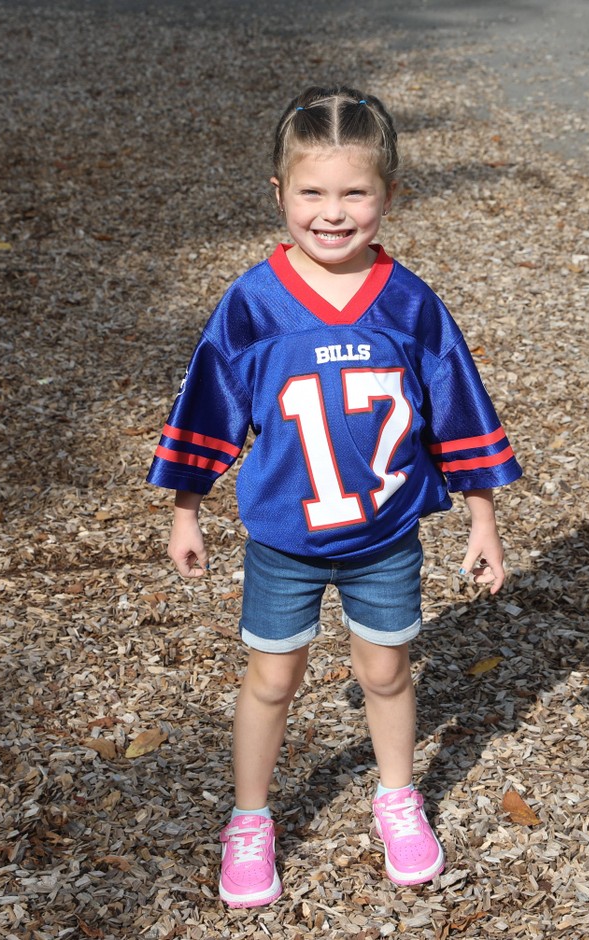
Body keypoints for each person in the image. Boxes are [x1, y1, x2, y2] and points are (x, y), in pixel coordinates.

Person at [147, 84, 522, 909]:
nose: (333, 212)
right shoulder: (254, 302)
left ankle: (398, 798)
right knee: (271, 681)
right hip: (285, 534)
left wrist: (483, 518)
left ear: (390, 193)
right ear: (280, 194)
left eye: (355, 191)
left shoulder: (411, 303)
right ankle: (250, 818)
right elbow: (211, 402)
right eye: (313, 192)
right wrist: (187, 506)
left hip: (384, 535)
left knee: (385, 672)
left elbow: (458, 409)